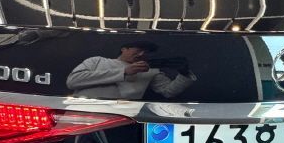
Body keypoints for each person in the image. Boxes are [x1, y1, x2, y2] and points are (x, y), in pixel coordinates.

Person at [66, 41, 196, 99]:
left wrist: (184, 73)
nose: (141, 54)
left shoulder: (149, 71)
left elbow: (168, 91)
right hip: (85, 113)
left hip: (125, 117)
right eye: (139, 50)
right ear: (124, 49)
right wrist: (123, 72)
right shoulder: (97, 61)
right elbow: (72, 81)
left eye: (146, 52)